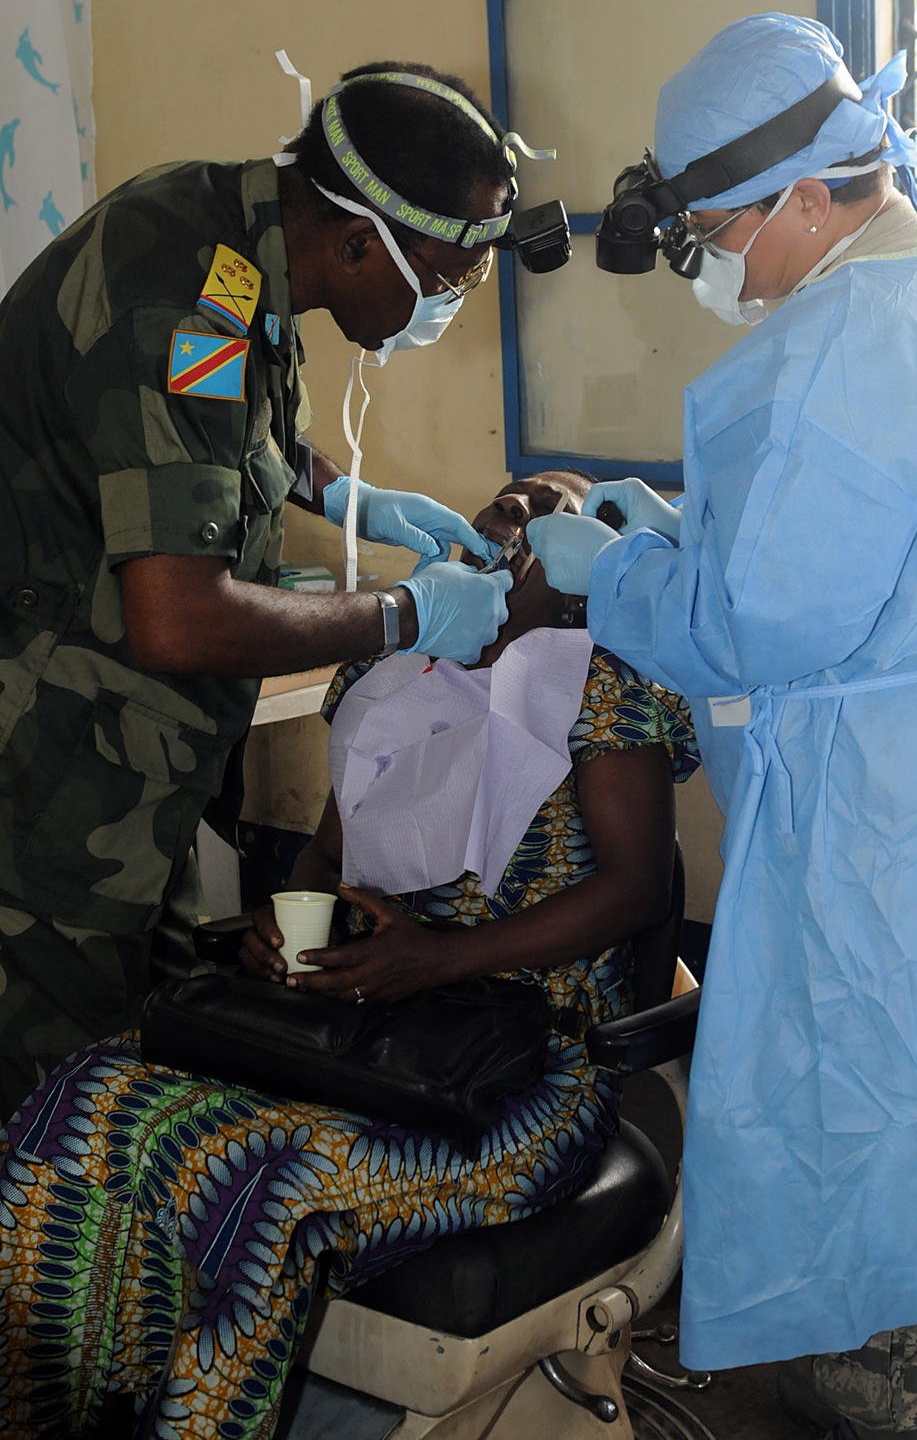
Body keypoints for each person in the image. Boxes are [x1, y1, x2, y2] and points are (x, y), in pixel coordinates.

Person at [0, 468, 700, 1438]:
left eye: (551, 510)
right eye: (507, 498)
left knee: (275, 1188)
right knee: (80, 1101)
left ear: (585, 570)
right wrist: (288, 928)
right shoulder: (394, 668)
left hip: (519, 1073)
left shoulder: (607, 678)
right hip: (356, 1026)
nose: (516, 512)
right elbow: (329, 854)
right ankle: (67, 1408)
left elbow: (634, 889)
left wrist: (440, 961)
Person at [526, 14, 917, 1440]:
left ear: (807, 192)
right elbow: (811, 568)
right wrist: (665, 537)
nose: (717, 264)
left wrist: (610, 575)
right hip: (909, 779)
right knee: (900, 1129)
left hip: (866, 829)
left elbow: (760, 626)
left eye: (719, 231)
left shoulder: (859, 342)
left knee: (863, 1149)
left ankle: (881, 1401)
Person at [0, 61, 524, 1120]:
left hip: (135, 774)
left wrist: (354, 497)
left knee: (155, 1059)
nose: (449, 306)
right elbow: (177, 617)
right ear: (354, 242)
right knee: (61, 1116)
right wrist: (403, 613)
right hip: (48, 774)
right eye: (444, 277)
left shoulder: (240, 250)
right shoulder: (179, 291)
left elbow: (230, 431)